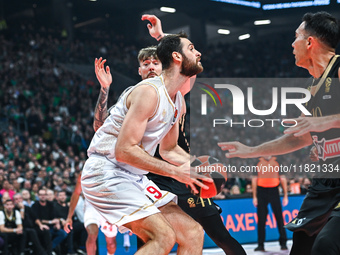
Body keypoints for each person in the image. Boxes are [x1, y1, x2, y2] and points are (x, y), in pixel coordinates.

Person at [218, 11, 340, 255]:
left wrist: (323, 122)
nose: (291, 44)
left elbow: (319, 126)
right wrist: (251, 151)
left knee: (326, 245)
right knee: (302, 246)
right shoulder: (311, 86)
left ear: (309, 42)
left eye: (296, 37)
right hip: (325, 180)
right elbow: (300, 137)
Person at [81, 27, 211, 254]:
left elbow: (169, 149)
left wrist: (196, 164)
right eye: (192, 48)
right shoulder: (148, 92)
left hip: (133, 176)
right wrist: (175, 172)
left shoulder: (177, 100)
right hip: (106, 170)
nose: (198, 52)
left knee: (193, 233)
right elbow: (124, 151)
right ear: (177, 57)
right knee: (163, 237)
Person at [64, 174, 117, 255]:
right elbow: (76, 193)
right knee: (92, 235)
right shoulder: (85, 173)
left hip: (108, 206)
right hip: (91, 206)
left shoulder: (112, 171)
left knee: (111, 244)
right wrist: (69, 217)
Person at [252, 156, 288, 251]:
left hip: (274, 190)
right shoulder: (257, 161)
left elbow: (283, 178)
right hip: (261, 191)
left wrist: (285, 195)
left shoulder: (278, 160)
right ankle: (261, 244)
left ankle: (283, 243)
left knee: (279, 217)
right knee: (261, 219)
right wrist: (254, 196)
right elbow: (254, 179)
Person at [32, 188, 67, 255]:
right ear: (38, 196)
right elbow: (37, 219)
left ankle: (49, 249)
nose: (43, 196)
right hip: (39, 227)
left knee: (63, 233)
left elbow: (54, 217)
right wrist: (47, 223)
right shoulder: (35, 205)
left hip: (51, 227)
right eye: (41, 195)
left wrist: (57, 223)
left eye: (44, 194)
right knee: (47, 233)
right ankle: (49, 252)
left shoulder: (50, 204)